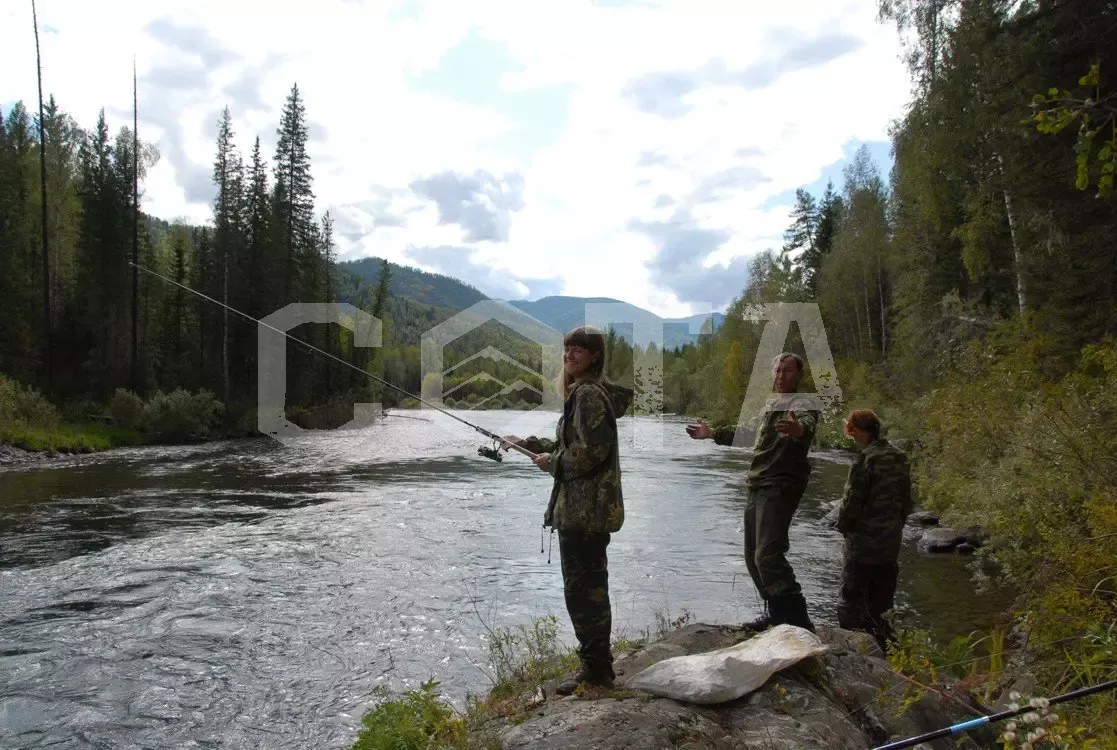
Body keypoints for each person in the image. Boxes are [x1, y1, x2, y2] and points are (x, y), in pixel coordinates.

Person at [501, 325, 630, 695]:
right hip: (583, 512)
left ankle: (597, 672)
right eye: (567, 348)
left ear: (594, 356)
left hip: (586, 513)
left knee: (585, 593)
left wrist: (553, 463)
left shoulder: (588, 394)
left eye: (578, 350)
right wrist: (527, 444)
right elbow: (570, 443)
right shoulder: (585, 392)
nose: (569, 355)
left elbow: (592, 451)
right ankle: (596, 666)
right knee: (586, 590)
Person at [685, 352, 819, 632]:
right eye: (777, 370)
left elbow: (806, 425)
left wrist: (797, 430)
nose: (781, 375)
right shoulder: (770, 405)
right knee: (751, 555)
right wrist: (711, 433)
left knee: (767, 555)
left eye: (788, 370)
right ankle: (776, 612)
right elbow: (746, 433)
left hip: (781, 484)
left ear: (799, 375)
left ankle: (797, 617)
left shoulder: (803, 403)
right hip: (758, 482)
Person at [836, 408, 913, 651]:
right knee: (883, 603)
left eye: (849, 425)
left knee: (851, 601)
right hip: (890, 542)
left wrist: (843, 527)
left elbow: (852, 502)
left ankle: (852, 652)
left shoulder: (865, 459)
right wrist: (896, 526)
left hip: (863, 544)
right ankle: (887, 651)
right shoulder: (899, 456)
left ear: (856, 430)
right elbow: (906, 500)